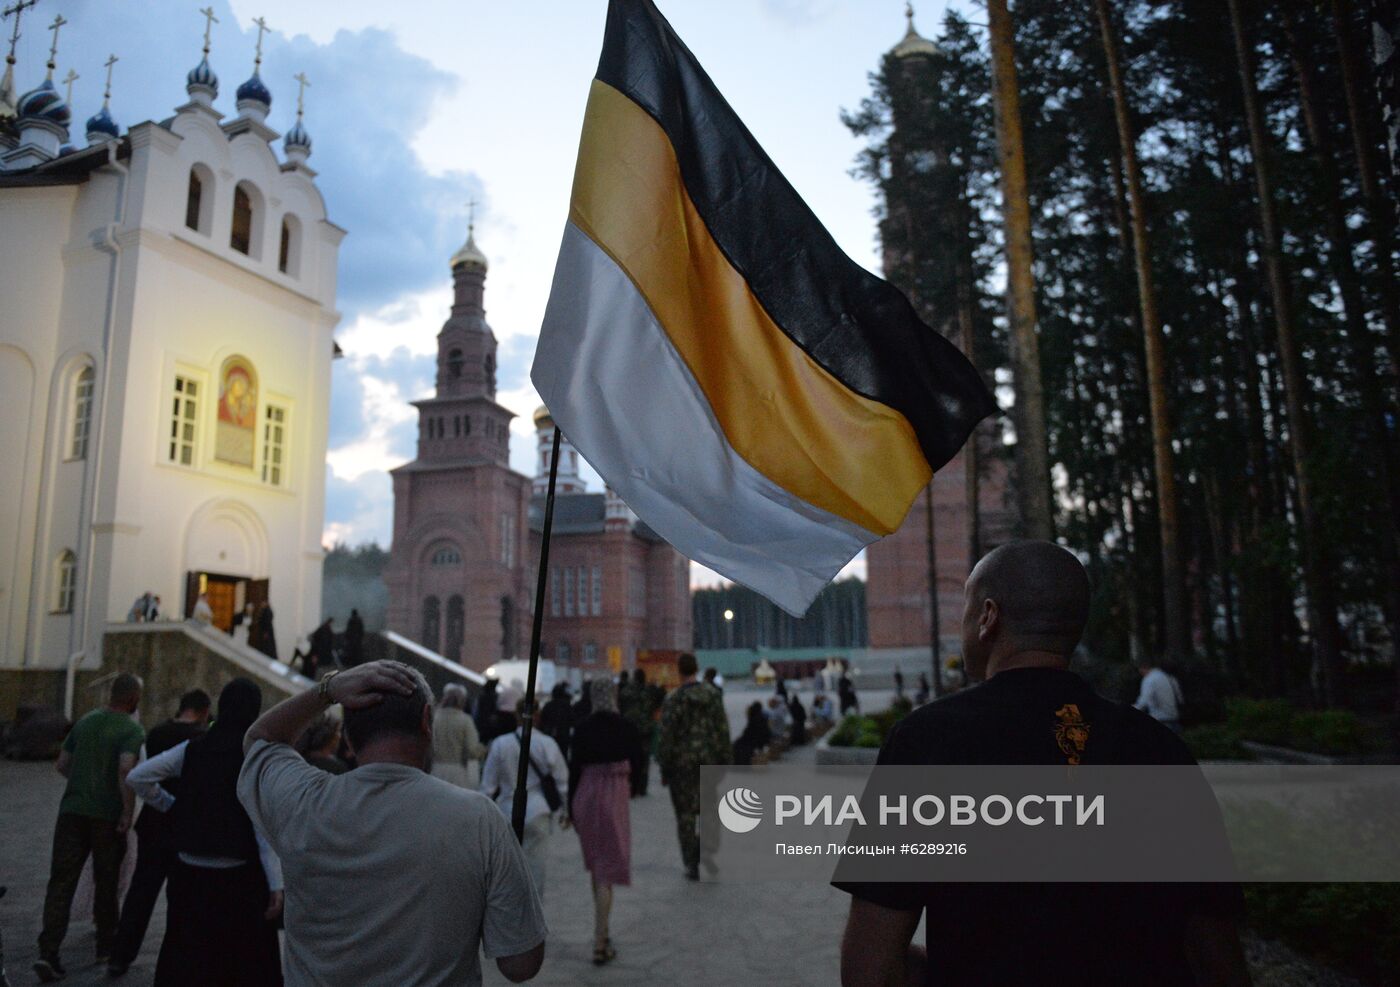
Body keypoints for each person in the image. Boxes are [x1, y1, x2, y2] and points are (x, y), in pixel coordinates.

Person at [834, 541, 1248, 986]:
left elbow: (869, 969)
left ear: (988, 617)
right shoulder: (1161, 751)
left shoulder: (926, 744)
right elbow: (1217, 958)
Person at [238, 660, 547, 984]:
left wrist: (329, 690)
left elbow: (261, 739)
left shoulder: (303, 802)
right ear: (427, 721)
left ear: (348, 738)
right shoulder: (481, 819)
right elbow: (521, 964)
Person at [125, 679, 283, 986]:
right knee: (243, 959)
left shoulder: (194, 748)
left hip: (189, 870)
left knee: (187, 954)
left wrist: (172, 806)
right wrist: (275, 883)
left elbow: (138, 777)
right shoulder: (253, 756)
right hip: (237, 875)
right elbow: (259, 826)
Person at [34, 674, 145, 983]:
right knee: (107, 881)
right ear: (134, 698)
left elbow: (61, 764)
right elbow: (126, 768)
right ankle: (106, 948)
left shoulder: (85, 722)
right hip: (107, 816)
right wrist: (127, 811)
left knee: (61, 882)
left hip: (71, 812)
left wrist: (81, 783)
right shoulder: (132, 730)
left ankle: (49, 952)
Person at [107, 690, 211, 976]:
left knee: (141, 891)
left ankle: (121, 954)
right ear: (204, 711)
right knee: (180, 899)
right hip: (183, 825)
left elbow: (143, 772)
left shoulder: (156, 733)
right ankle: (177, 960)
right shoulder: (200, 739)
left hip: (153, 823)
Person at [567, 678, 641, 966]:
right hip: (614, 796)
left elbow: (575, 768)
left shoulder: (583, 728)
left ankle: (603, 931)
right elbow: (639, 761)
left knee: (597, 867)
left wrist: (570, 808)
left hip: (585, 795)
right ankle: (600, 940)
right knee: (606, 869)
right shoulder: (626, 727)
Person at [480, 696, 569, 899]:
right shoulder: (548, 744)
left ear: (516, 716)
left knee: (506, 871)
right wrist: (566, 811)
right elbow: (562, 782)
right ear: (537, 715)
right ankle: (531, 917)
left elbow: (488, 786)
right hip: (538, 811)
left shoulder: (500, 744)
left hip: (506, 812)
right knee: (535, 871)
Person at [657, 652, 732, 880]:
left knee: (685, 815)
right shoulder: (712, 694)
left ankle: (691, 862)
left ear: (679, 671)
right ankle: (708, 851)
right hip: (708, 762)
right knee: (709, 810)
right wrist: (725, 759)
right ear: (696, 668)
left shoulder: (673, 699)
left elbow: (666, 737)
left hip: (682, 767)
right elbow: (722, 728)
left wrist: (664, 767)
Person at [432, 683, 485, 789]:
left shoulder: (434, 717)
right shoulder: (465, 720)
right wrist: (483, 749)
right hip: (457, 773)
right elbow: (472, 750)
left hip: (434, 770)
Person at [620, 668, 658, 796]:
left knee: (630, 757)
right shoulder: (649, 691)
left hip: (630, 729)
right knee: (645, 759)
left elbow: (621, 706)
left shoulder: (627, 691)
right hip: (646, 729)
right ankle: (642, 787)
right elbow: (656, 704)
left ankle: (632, 785)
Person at [1135, 659, 1186, 733]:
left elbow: (1143, 701)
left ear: (1142, 669)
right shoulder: (1170, 677)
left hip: (1161, 719)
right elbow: (1180, 699)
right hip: (1175, 718)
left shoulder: (1149, 679)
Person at [295, 710, 349, 775]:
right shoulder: (336, 767)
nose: (340, 736)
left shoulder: (295, 762)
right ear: (332, 737)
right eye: (338, 731)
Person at [539, 683, 574, 761]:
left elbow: (542, 722)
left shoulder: (547, 706)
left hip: (549, 737)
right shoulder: (567, 706)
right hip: (564, 737)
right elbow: (572, 722)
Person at [732, 702, 772, 766]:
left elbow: (748, 734)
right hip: (762, 740)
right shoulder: (761, 718)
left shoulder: (754, 720)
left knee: (737, 746)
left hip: (757, 741)